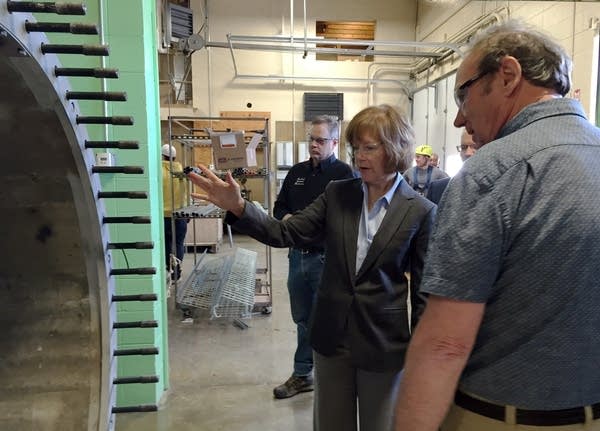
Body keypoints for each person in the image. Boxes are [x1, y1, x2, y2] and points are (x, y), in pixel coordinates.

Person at [395, 20, 600, 431]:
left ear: (507, 75)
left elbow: (445, 344)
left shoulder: (491, 172)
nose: (457, 119)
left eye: (462, 94)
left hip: (500, 417)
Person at [188, 104, 436, 431]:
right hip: (332, 337)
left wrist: (421, 361)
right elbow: (285, 231)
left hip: (383, 344)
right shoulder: (339, 194)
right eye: (356, 147)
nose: (359, 156)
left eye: (370, 148)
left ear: (395, 149)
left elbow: (423, 296)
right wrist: (240, 206)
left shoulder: (420, 211)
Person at [272, 115, 354, 399]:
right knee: (303, 319)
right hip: (297, 257)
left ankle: (333, 376)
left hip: (326, 259)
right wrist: (289, 218)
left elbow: (351, 220)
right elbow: (278, 208)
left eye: (320, 140)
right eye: (311, 139)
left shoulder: (345, 175)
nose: (314, 145)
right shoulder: (296, 173)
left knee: (329, 319)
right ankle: (304, 374)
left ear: (334, 142)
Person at [161, 144, 192, 322]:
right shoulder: (181, 171)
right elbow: (186, 193)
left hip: (164, 215)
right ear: (173, 157)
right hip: (180, 213)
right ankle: (177, 274)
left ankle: (167, 272)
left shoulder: (159, 171)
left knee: (166, 244)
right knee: (179, 243)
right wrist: (187, 211)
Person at [426, 130, 476, 204]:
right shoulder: (438, 190)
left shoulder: (496, 189)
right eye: (463, 147)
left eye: (474, 146)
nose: (467, 153)